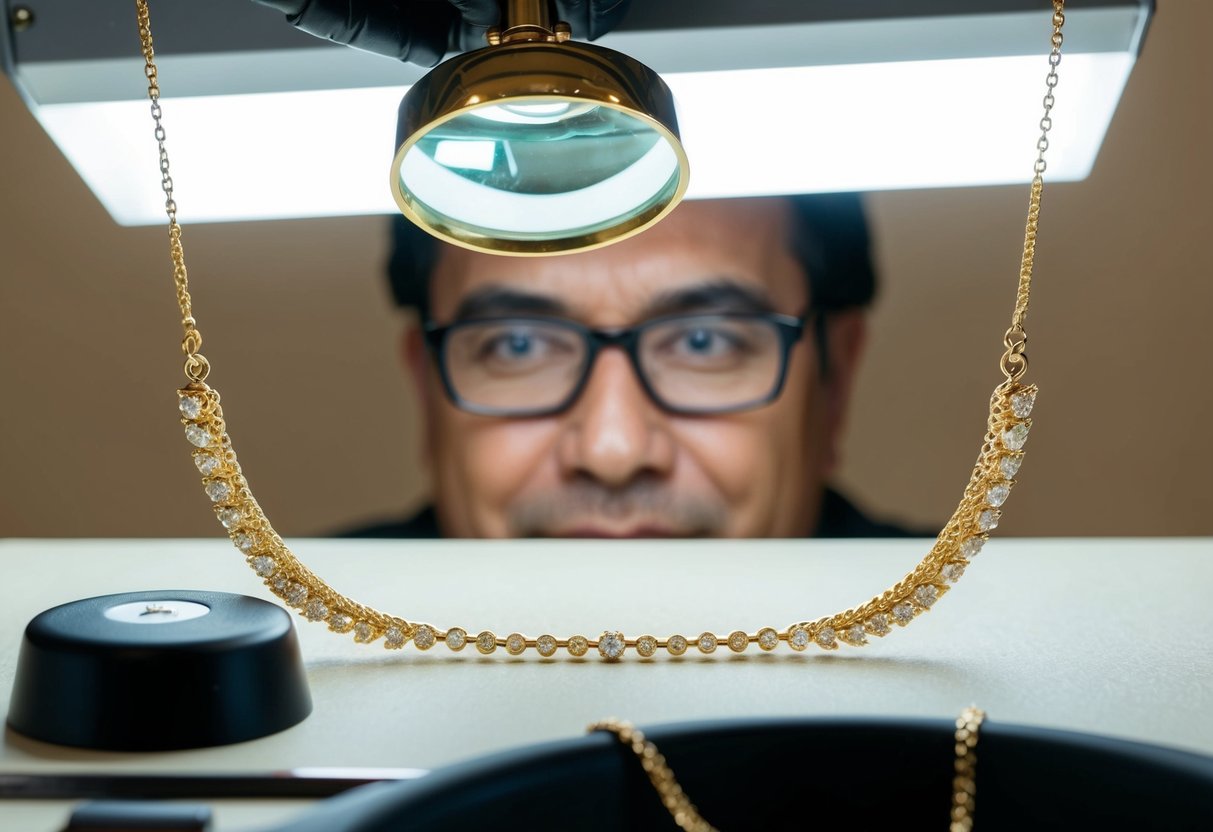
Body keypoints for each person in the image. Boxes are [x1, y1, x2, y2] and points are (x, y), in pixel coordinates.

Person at [345, 193, 924, 538]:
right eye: (518, 345)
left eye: (704, 342)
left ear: (835, 383)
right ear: (425, 387)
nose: (611, 453)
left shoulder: (991, 638)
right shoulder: (301, 642)